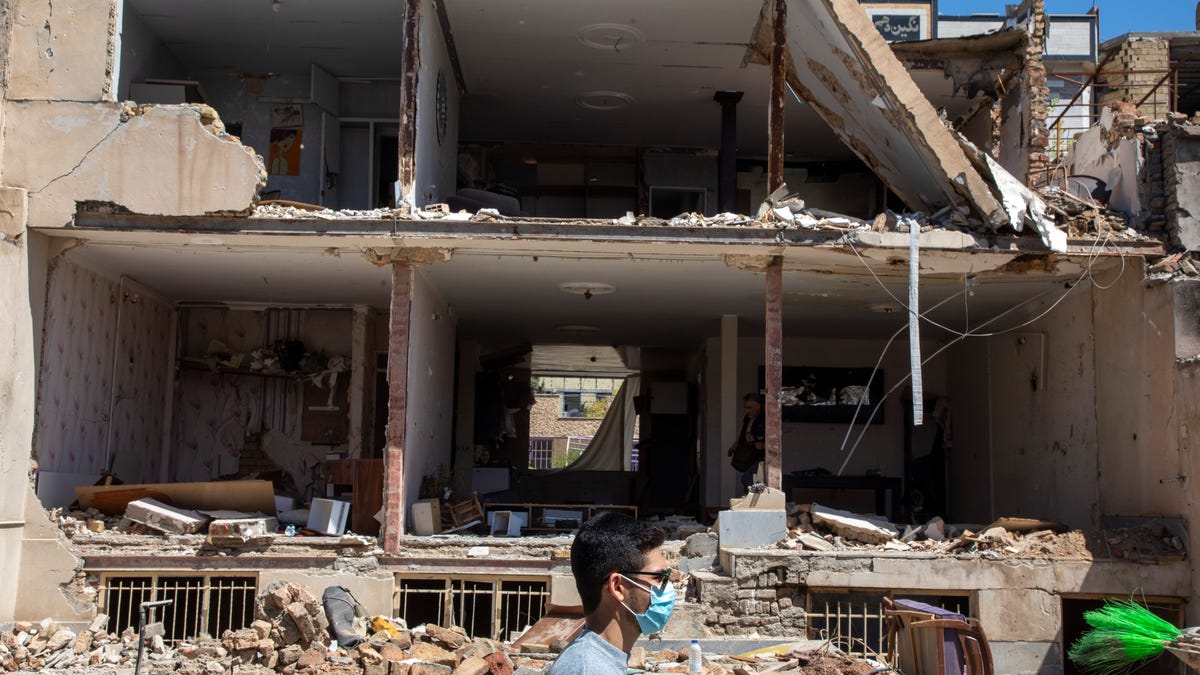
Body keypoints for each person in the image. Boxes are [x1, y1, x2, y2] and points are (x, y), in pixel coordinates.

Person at [548, 513, 674, 675]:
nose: (668, 587)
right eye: (659, 577)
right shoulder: (589, 669)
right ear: (617, 586)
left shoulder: (598, 660)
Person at [727, 392, 765, 491]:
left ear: (758, 405)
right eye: (746, 408)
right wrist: (734, 445)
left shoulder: (765, 418)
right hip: (749, 452)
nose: (747, 411)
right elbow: (742, 431)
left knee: (747, 478)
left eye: (750, 408)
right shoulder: (748, 417)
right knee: (748, 478)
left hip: (761, 456)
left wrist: (763, 444)